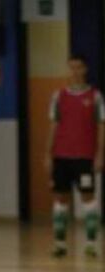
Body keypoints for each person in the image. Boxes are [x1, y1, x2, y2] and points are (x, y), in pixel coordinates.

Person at [45, 54, 105, 258]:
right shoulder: (58, 96)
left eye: (78, 67)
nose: (75, 71)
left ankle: (91, 243)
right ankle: (60, 243)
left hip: (84, 157)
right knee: (60, 199)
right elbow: (53, 126)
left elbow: (101, 126)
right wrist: (48, 154)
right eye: (71, 68)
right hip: (61, 156)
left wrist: (100, 154)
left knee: (88, 198)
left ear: (85, 69)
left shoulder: (95, 96)